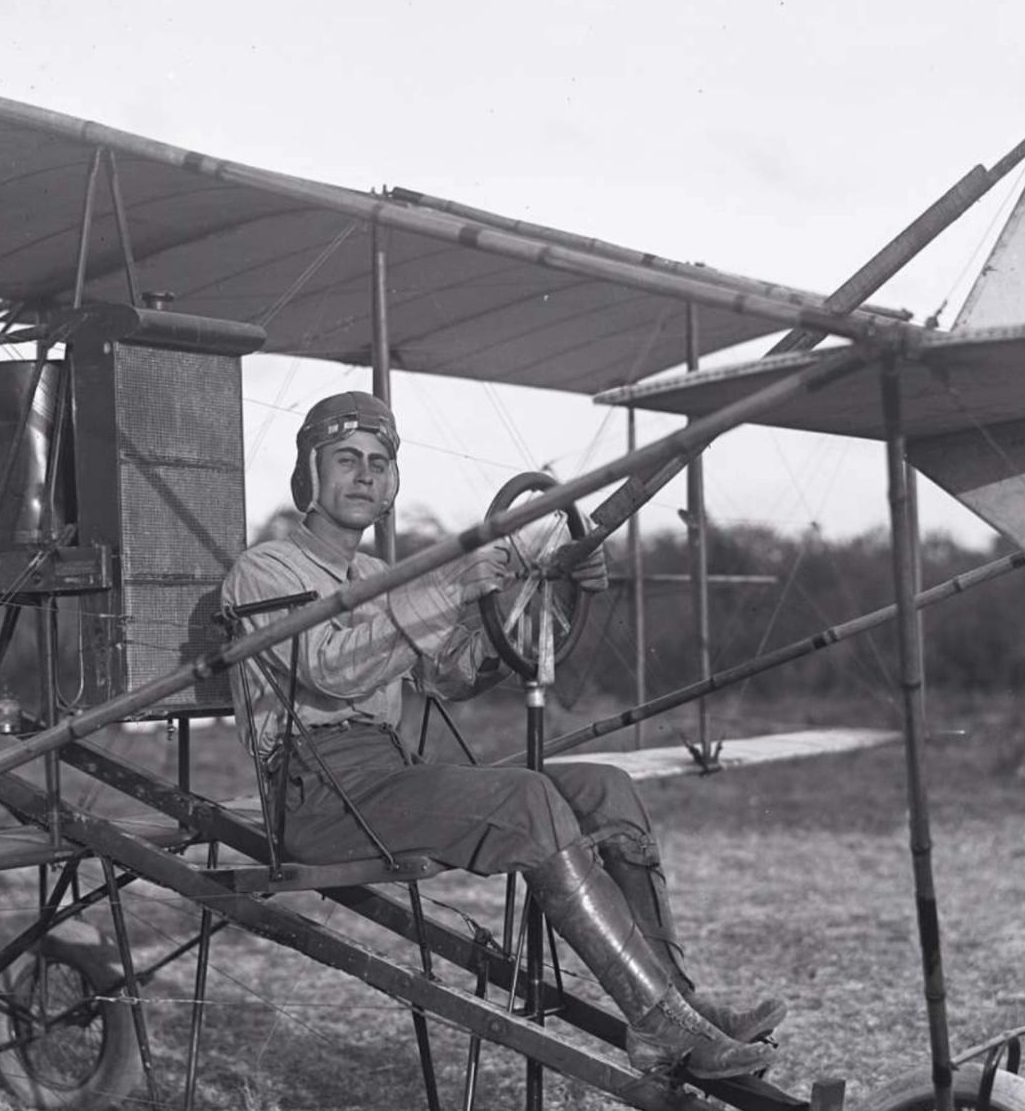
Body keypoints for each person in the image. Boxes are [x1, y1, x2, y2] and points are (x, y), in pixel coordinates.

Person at [221, 391, 785, 1081]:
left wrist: (557, 591)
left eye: (378, 462)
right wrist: (447, 590)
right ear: (309, 474)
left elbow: (455, 676)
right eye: (345, 460)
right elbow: (330, 668)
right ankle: (660, 1024)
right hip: (316, 797)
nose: (365, 474)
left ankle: (679, 1009)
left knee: (606, 787)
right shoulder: (265, 569)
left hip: (389, 775)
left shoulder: (377, 576)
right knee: (525, 801)